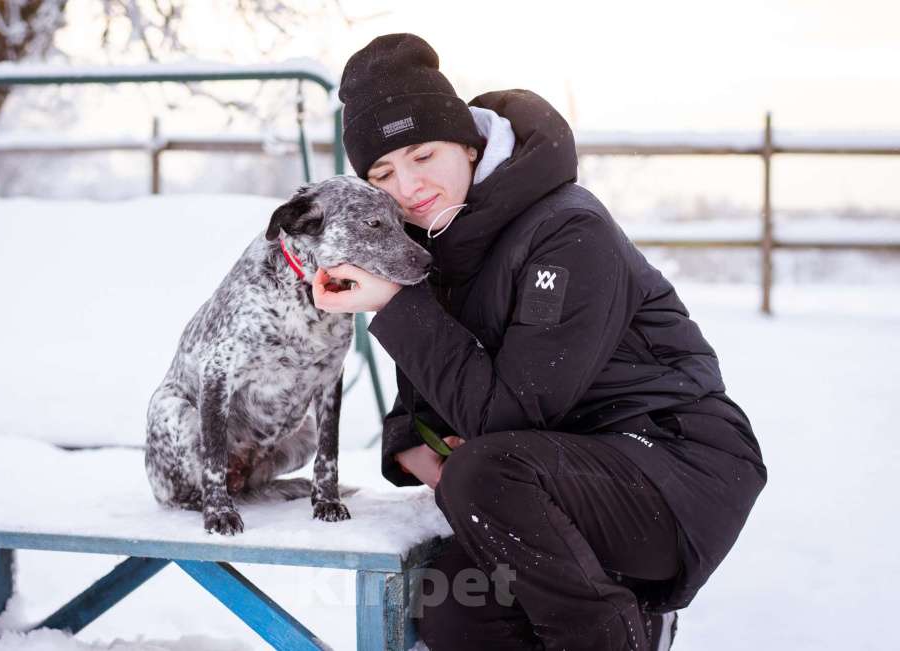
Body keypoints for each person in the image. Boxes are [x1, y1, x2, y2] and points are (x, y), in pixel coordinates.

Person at [312, 33, 767, 651]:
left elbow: (513, 413)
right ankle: (634, 615)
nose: (409, 186)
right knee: (455, 604)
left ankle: (616, 633)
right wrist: (410, 446)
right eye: (382, 172)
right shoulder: (433, 242)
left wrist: (394, 304)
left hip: (672, 466)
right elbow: (427, 393)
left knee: (484, 471)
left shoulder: (566, 229)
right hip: (553, 479)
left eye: (423, 155)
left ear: (469, 144)